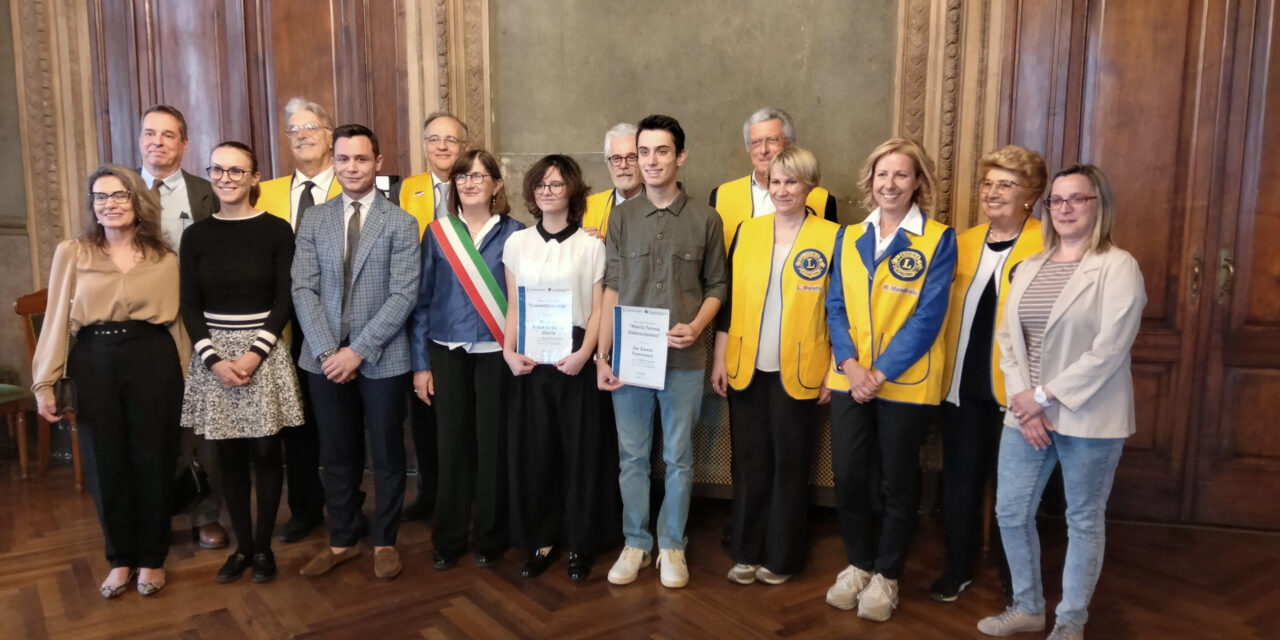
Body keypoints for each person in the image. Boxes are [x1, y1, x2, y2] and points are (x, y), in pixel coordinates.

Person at [977, 164, 1145, 640]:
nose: (1065, 208)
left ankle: (1071, 622)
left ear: (1098, 205)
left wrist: (1043, 397)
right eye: (1057, 200)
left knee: (1083, 520)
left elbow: (1110, 350)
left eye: (1077, 199)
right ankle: (1028, 607)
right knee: (1011, 513)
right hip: (1027, 414)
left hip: (1089, 415)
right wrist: (1024, 402)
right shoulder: (1031, 265)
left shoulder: (1118, 266)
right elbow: (1008, 340)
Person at [32, 164, 188, 597]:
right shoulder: (73, 252)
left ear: (137, 201)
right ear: (92, 205)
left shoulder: (165, 256)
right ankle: (120, 559)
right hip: (94, 358)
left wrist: (191, 379)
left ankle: (152, 559)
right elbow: (57, 319)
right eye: (100, 196)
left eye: (119, 195)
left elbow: (177, 324)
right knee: (105, 462)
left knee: (155, 459)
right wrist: (44, 382)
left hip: (153, 358)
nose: (109, 204)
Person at [824, 138, 957, 622]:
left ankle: (888, 574)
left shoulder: (938, 239)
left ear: (918, 182)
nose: (890, 184)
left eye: (902, 174)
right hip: (850, 379)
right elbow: (835, 306)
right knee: (849, 476)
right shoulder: (848, 236)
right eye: (883, 174)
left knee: (896, 481)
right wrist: (851, 365)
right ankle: (859, 563)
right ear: (871, 180)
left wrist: (878, 372)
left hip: (905, 383)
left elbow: (928, 317)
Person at [597, 114, 728, 589]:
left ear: (680, 156)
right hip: (629, 361)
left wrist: (696, 327)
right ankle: (636, 542)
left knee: (678, 457)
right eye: (643, 152)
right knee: (631, 457)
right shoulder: (620, 217)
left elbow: (718, 285)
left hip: (683, 361)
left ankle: (672, 544)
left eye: (661, 151)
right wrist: (602, 356)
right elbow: (612, 287)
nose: (651, 161)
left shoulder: (706, 219)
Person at [292, 124, 421, 581]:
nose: (351, 167)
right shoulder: (315, 219)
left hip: (383, 357)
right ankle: (342, 538)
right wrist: (329, 350)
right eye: (343, 159)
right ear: (334, 162)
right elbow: (302, 287)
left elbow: (404, 295)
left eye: (361, 159)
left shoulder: (401, 222)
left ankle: (384, 540)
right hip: (323, 357)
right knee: (336, 452)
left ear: (377, 163)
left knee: (386, 453)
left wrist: (358, 351)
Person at [711, 147, 840, 586]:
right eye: (776, 182)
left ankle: (782, 557)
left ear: (810, 186)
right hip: (746, 364)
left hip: (802, 369)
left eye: (792, 181)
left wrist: (834, 369)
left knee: (791, 463)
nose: (782, 190)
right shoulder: (747, 231)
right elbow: (729, 303)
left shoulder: (834, 237)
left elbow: (840, 309)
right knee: (749, 463)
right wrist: (720, 358)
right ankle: (746, 551)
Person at [179, 142, 304, 585]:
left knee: (267, 453)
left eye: (236, 170)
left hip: (262, 352)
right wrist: (213, 359)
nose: (226, 178)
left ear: (254, 177)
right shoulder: (196, 235)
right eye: (218, 169)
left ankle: (264, 547)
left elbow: (286, 297)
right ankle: (242, 548)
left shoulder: (276, 230)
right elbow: (189, 305)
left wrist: (255, 353)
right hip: (214, 356)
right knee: (228, 456)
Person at [933, 145, 1047, 603]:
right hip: (962, 385)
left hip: (1018, 390)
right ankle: (957, 568)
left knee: (1014, 491)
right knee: (960, 481)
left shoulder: (1047, 241)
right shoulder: (962, 242)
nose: (992, 192)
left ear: (1030, 194)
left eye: (1006, 184)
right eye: (988, 183)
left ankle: (1015, 578)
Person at [502, 154, 617, 582]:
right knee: (538, 453)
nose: (547, 191)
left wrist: (586, 353)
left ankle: (582, 542)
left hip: (576, 356)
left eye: (555, 184)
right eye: (540, 185)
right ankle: (543, 539)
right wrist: (508, 351)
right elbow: (513, 307)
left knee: (581, 453)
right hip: (531, 360)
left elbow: (598, 309)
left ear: (572, 189)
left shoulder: (591, 245)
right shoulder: (517, 243)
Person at [410, 149, 524, 571]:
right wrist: (421, 365)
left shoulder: (517, 234)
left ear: (497, 184)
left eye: (479, 176)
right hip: (447, 352)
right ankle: (449, 537)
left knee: (493, 446)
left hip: (498, 353)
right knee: (452, 445)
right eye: (462, 176)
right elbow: (422, 302)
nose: (470, 183)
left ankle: (492, 536)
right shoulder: (438, 233)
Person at [138, 103, 228, 550]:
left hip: (193, 324)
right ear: (140, 139)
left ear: (184, 143)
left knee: (202, 423)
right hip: (138, 327)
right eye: (150, 133)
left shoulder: (205, 193)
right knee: (146, 424)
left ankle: (205, 514)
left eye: (168, 134)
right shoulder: (118, 189)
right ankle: (149, 517)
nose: (157, 142)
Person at [258, 97, 339, 544]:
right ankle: (305, 507)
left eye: (311, 127)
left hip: (339, 323)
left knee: (341, 422)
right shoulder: (265, 192)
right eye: (293, 129)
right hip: (281, 327)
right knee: (295, 422)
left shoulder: (353, 183)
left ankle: (345, 506)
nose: (302, 135)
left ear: (330, 135)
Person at [392, 111, 470, 523]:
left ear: (464, 147)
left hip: (468, 314)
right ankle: (429, 491)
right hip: (415, 314)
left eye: (451, 140)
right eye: (433, 139)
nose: (442, 146)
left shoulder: (477, 185)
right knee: (423, 410)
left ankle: (467, 492)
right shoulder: (404, 191)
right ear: (423, 145)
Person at [710, 107, 838, 252]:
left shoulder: (823, 200)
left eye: (772, 140)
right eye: (756, 142)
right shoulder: (721, 196)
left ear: (790, 144)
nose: (763, 150)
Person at [582, 123, 642, 239]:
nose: (623, 165)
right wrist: (594, 246)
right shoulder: (587, 207)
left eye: (631, 157)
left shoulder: (659, 205)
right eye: (616, 158)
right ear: (609, 165)